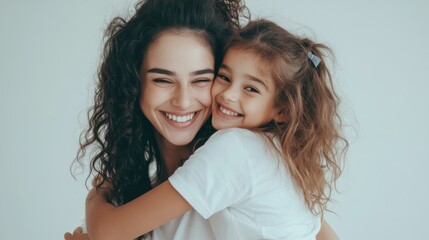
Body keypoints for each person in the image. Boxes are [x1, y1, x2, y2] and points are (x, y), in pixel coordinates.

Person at [82, 19, 348, 240]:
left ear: (282, 110)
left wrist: (97, 195)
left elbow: (108, 232)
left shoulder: (237, 148)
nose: (228, 95)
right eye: (224, 77)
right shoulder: (275, 153)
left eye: (251, 88)